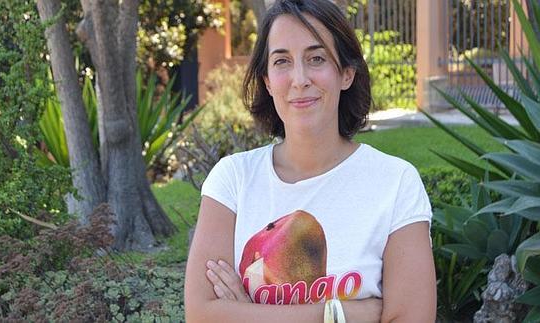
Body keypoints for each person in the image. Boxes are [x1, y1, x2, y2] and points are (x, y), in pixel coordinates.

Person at [184, 0, 436, 322]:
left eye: (316, 59)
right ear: (267, 81)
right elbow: (201, 314)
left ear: (346, 73)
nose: (299, 79)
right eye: (282, 62)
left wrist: (246, 312)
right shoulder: (232, 180)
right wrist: (342, 313)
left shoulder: (395, 183)